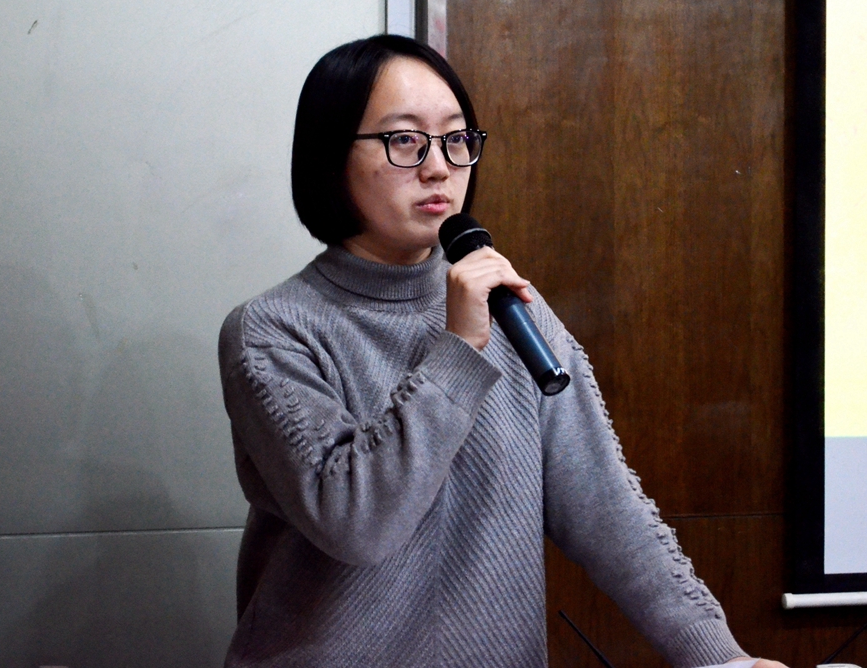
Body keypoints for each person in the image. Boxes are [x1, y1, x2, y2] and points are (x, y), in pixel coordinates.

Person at [218, 34, 788, 667]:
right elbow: (358, 524)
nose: (439, 168)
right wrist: (459, 350)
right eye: (404, 140)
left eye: (456, 138)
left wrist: (718, 656)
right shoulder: (272, 331)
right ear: (331, 154)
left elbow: (606, 510)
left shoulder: (514, 310)